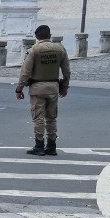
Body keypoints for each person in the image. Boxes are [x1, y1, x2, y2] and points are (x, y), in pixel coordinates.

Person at [15, 24, 70, 156]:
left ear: (36, 37)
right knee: (51, 118)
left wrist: (19, 88)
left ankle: (39, 145)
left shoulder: (34, 50)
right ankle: (51, 145)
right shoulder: (60, 49)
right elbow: (66, 70)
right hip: (53, 87)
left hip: (37, 88)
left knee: (38, 117)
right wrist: (65, 86)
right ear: (50, 36)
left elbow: (25, 72)